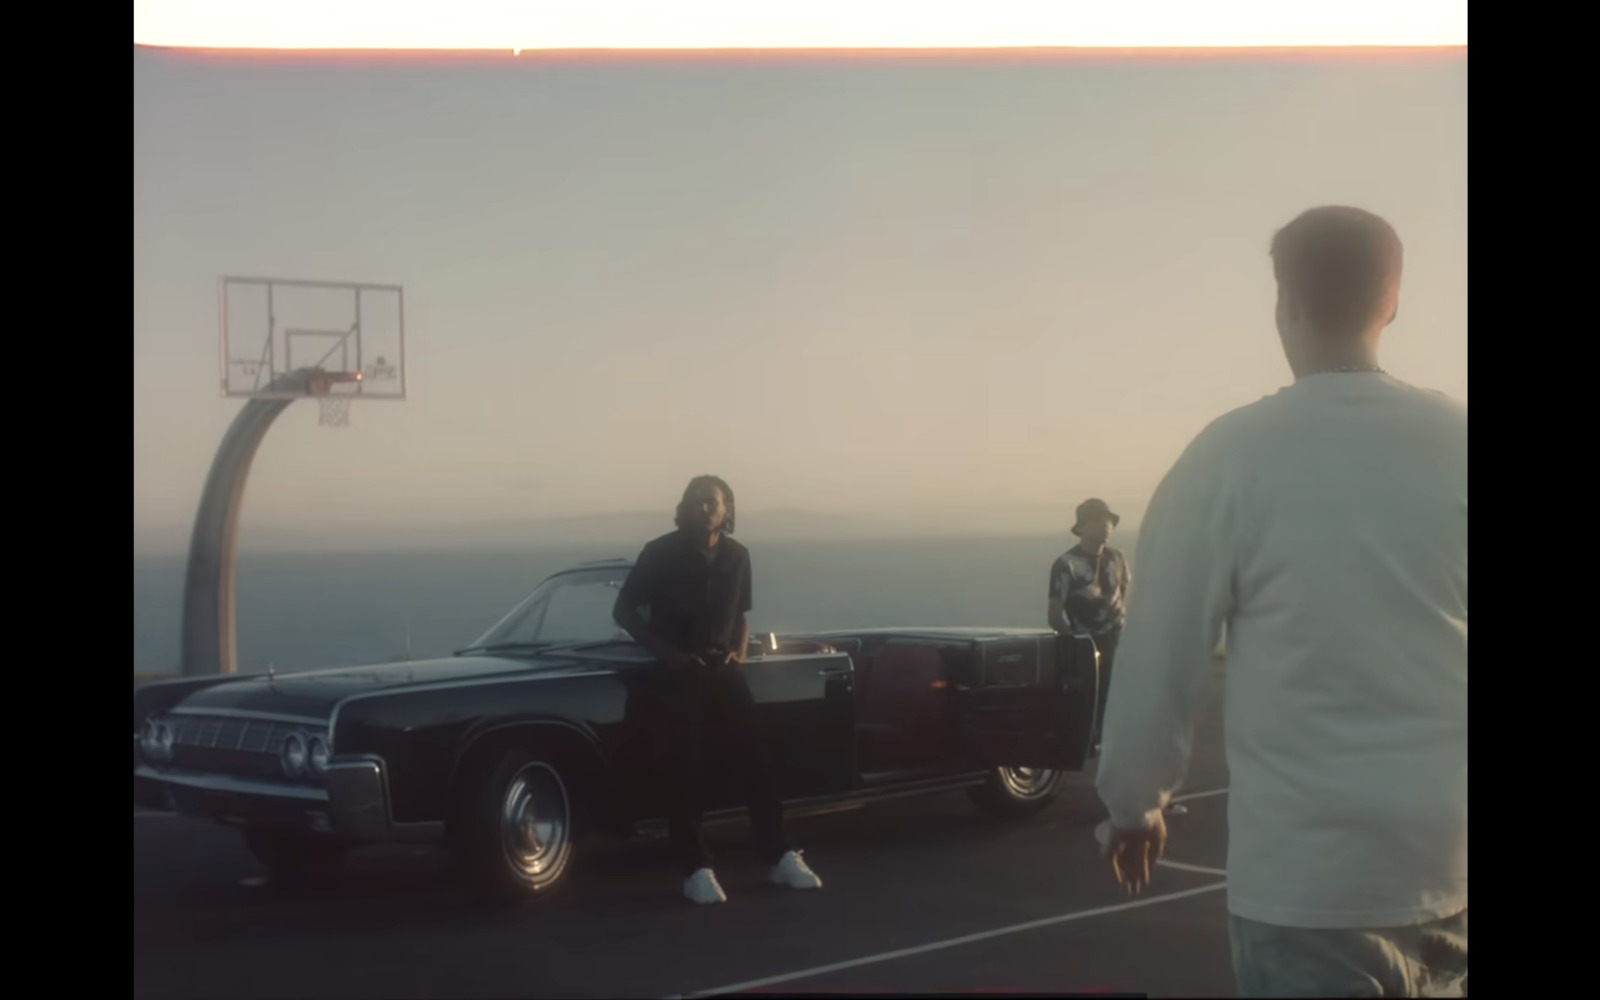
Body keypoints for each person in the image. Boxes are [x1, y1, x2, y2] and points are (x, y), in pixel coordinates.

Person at [1093, 206, 1467, 997]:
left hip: (1308, 885)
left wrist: (1134, 805)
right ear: (1392, 301)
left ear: (1283, 303)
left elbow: (1158, 658)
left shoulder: (1227, 457)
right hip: (1454, 867)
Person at [613, 474, 823, 904]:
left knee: (757, 762)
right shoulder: (660, 552)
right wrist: (665, 653)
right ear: (684, 507)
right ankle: (696, 869)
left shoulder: (738, 556)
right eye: (696, 501)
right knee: (684, 770)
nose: (704, 508)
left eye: (712, 502)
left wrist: (740, 654)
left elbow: (742, 614)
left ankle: (780, 855)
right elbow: (624, 610)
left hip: (725, 671)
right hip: (678, 673)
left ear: (727, 510)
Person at [1046, 498, 1131, 758]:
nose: (1106, 526)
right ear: (1082, 527)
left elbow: (1121, 594)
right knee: (1090, 700)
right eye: (1099, 520)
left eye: (1109, 521)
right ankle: (1089, 745)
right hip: (1087, 643)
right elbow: (1054, 615)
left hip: (1118, 639)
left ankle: (1115, 744)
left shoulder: (1117, 559)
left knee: (1121, 696)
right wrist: (1075, 643)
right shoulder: (1066, 565)